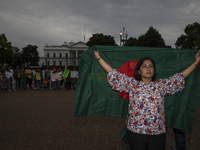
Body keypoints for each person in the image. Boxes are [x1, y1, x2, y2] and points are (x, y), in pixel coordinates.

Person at [93, 50, 200, 150]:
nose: (148, 68)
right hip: (136, 134)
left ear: (154, 70)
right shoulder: (132, 85)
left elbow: (180, 77)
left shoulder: (161, 86)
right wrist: (99, 58)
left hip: (157, 135)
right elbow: (113, 73)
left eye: (151, 66)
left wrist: (196, 62)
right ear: (139, 71)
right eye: (144, 66)